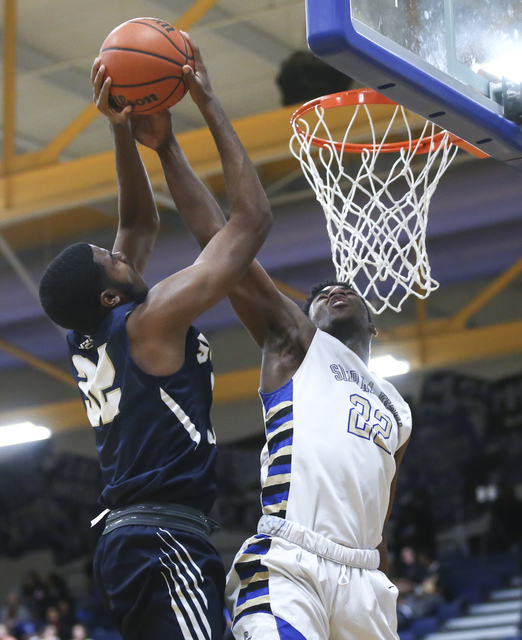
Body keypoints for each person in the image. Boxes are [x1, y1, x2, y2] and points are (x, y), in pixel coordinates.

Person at [133, 105, 412, 640]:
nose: (331, 290)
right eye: (316, 297)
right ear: (301, 320)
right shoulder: (297, 346)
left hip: (365, 582)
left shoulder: (398, 410)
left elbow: (379, 506)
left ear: (373, 325)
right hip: (290, 563)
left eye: (342, 289)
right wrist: (169, 146)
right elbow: (220, 238)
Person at [38, 34, 272, 640]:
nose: (121, 254)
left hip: (141, 537)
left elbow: (139, 221)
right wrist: (208, 101)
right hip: (160, 538)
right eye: (110, 260)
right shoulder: (150, 320)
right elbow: (250, 224)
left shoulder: (92, 332)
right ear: (109, 294)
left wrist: (124, 132)